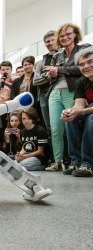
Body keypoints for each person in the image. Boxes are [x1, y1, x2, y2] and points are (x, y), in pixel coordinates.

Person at [44, 23, 91, 171]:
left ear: (75, 34)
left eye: (68, 34)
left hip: (72, 91)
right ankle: (64, 162)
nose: (65, 38)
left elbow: (80, 69)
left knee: (83, 121)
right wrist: (52, 74)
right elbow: (51, 76)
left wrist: (59, 69)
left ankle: (84, 162)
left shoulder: (84, 49)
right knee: (59, 126)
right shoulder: (57, 55)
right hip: (56, 92)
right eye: (62, 36)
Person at [61, 47, 93, 177]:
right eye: (81, 64)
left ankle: (88, 164)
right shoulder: (81, 81)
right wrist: (69, 112)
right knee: (71, 118)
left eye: (90, 62)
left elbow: (84, 110)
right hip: (88, 110)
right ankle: (76, 162)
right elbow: (79, 104)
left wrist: (82, 111)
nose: (86, 66)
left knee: (91, 118)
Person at [33, 30, 58, 134]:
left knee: (62, 126)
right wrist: (49, 75)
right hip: (43, 95)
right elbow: (35, 81)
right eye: (47, 41)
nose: (50, 43)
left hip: (58, 93)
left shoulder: (64, 56)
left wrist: (57, 72)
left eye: (53, 40)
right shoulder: (40, 62)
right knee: (49, 127)